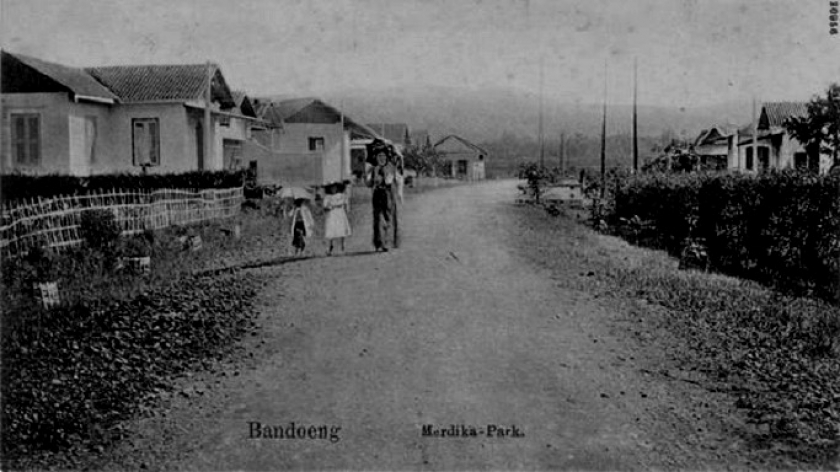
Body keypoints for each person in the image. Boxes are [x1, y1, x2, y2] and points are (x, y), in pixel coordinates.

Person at [365, 140, 398, 252]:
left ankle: (387, 242)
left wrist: (382, 176)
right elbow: (369, 184)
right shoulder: (373, 168)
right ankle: (378, 242)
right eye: (379, 156)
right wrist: (369, 176)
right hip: (377, 194)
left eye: (383, 156)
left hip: (388, 194)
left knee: (387, 217)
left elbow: (389, 181)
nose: (381, 158)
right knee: (377, 219)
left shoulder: (390, 166)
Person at [323, 181, 352, 255]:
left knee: (341, 230)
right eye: (332, 187)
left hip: (340, 213)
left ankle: (341, 247)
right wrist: (329, 207)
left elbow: (347, 203)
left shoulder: (342, 195)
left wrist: (347, 208)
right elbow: (325, 206)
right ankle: (329, 247)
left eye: (335, 187)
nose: (334, 189)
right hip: (332, 214)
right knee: (331, 231)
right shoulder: (328, 197)